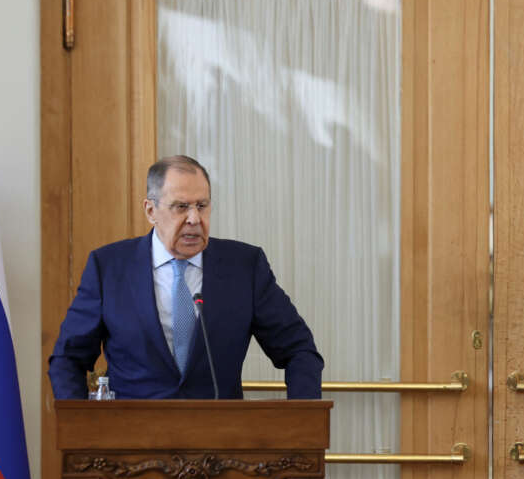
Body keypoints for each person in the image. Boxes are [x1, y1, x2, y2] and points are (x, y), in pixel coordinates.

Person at [48, 155, 324, 399]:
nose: (194, 219)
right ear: (151, 211)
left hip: (219, 435)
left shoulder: (244, 267)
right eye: (181, 207)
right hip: (132, 435)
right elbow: (67, 358)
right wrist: (84, 428)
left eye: (202, 206)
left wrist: (301, 423)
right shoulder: (109, 267)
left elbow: (299, 349)